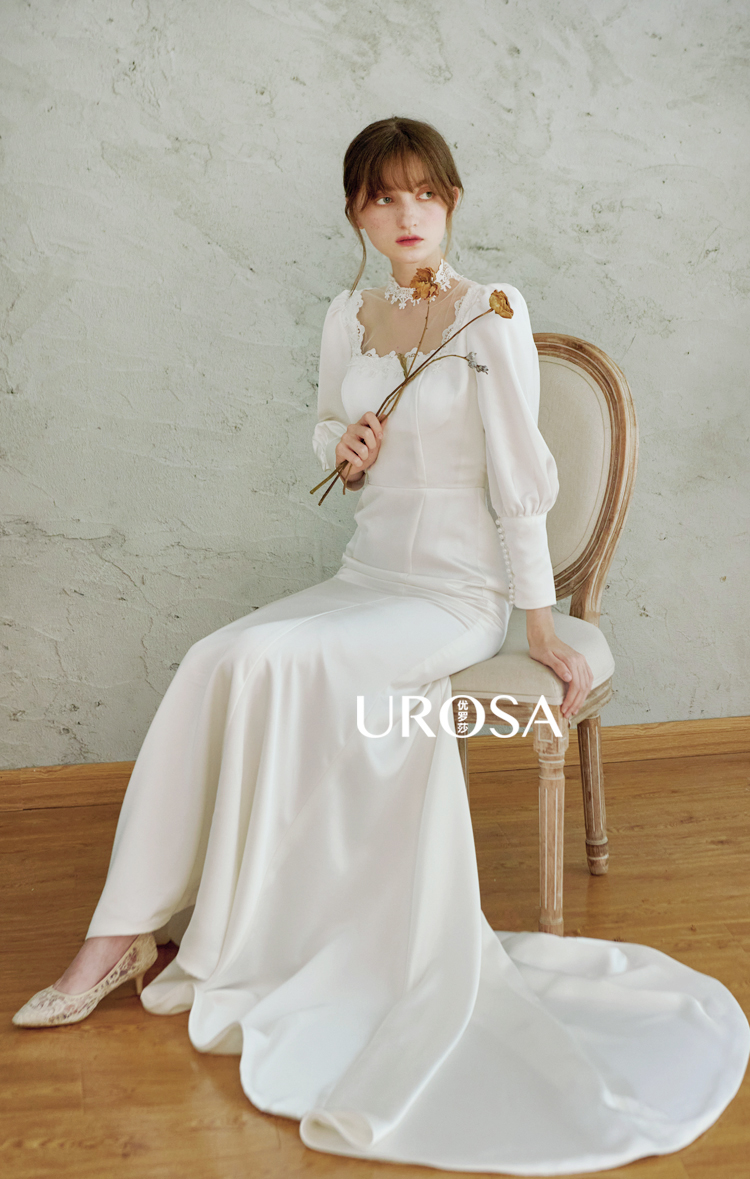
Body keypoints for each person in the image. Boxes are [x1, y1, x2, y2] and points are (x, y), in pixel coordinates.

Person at [13, 117, 748, 1176]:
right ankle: (127, 929)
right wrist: (347, 451)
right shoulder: (346, 316)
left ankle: (244, 930)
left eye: (425, 195)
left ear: (451, 203)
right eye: (384, 197)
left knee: (273, 663)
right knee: (218, 655)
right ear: (356, 212)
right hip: (366, 578)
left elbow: (519, 479)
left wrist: (540, 622)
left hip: (453, 595)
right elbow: (325, 425)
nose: (407, 215)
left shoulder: (492, 312)